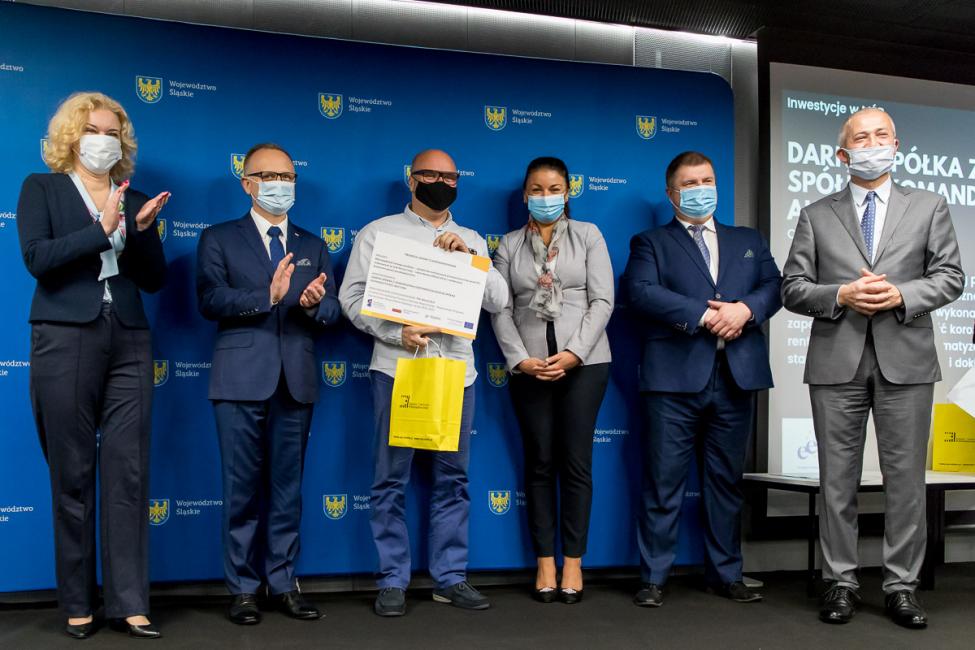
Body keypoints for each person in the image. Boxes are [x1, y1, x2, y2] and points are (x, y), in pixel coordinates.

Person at [781, 108, 963, 629]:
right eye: (861, 138)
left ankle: (901, 587)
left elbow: (950, 276)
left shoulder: (928, 206)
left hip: (907, 360)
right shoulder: (816, 214)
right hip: (835, 362)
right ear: (842, 154)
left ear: (897, 145)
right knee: (836, 481)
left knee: (905, 482)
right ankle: (840, 583)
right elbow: (792, 287)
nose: (872, 143)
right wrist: (840, 294)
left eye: (881, 135)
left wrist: (900, 294)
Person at [16, 92, 169, 639]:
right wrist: (100, 230)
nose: (103, 141)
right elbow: (37, 259)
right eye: (92, 130)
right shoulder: (43, 188)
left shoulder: (135, 197)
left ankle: (130, 602)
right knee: (72, 471)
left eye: (112, 133)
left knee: (128, 471)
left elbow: (153, 280)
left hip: (128, 335)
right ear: (71, 137)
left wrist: (141, 232)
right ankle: (78, 603)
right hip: (65, 333)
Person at [339, 149, 507, 616]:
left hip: (455, 372)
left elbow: (498, 300)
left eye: (449, 177)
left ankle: (450, 577)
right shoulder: (379, 233)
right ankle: (392, 579)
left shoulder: (472, 239)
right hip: (398, 369)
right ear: (412, 180)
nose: (440, 182)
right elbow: (351, 298)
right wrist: (396, 333)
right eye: (430, 174)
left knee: (453, 479)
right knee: (389, 478)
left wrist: (471, 260)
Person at [622, 151, 782, 608]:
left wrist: (744, 310)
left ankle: (726, 574)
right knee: (663, 482)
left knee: (726, 482)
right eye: (690, 183)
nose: (701, 190)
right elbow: (640, 292)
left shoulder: (748, 239)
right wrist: (706, 316)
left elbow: (774, 287)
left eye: (707, 180)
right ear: (671, 193)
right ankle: (654, 578)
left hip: (735, 378)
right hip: (672, 382)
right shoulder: (650, 242)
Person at [196, 143, 340, 625]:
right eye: (270, 176)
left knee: (287, 490)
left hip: (295, 382)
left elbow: (332, 309)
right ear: (247, 183)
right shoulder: (218, 238)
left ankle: (282, 583)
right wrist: (268, 295)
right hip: (239, 380)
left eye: (288, 177)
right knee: (240, 491)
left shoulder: (312, 243)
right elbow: (210, 299)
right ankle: (242, 589)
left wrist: (313, 305)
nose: (281, 185)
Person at [489, 156, 613, 604]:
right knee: (539, 462)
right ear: (526, 195)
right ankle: (545, 561)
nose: (546, 197)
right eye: (537, 190)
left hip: (587, 363)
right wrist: (520, 360)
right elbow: (500, 308)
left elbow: (603, 300)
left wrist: (575, 353)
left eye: (554, 189)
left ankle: (573, 562)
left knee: (576, 463)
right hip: (530, 368)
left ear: (568, 192)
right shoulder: (508, 245)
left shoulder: (588, 235)